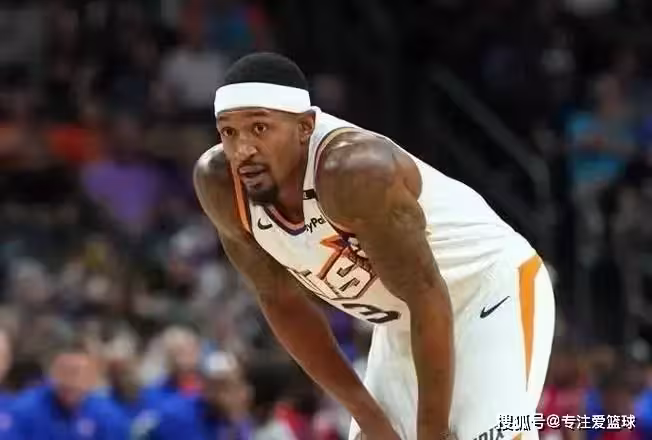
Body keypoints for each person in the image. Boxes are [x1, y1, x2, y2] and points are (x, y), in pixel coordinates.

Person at [194, 52, 556, 440]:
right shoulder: (220, 184)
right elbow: (281, 302)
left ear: (305, 127)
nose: (243, 149)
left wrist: (430, 434)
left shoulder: (354, 171)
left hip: (489, 291)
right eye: (228, 132)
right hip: (408, 321)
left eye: (260, 128)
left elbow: (427, 295)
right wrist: (370, 419)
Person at [6, 336, 130, 439]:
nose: (71, 382)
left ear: (93, 378)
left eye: (78, 373)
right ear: (51, 374)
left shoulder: (110, 416)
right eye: (64, 372)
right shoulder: (23, 409)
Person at [149, 351, 253, 440]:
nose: (221, 392)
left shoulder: (239, 419)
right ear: (203, 384)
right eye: (215, 384)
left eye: (227, 385)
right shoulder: (176, 413)